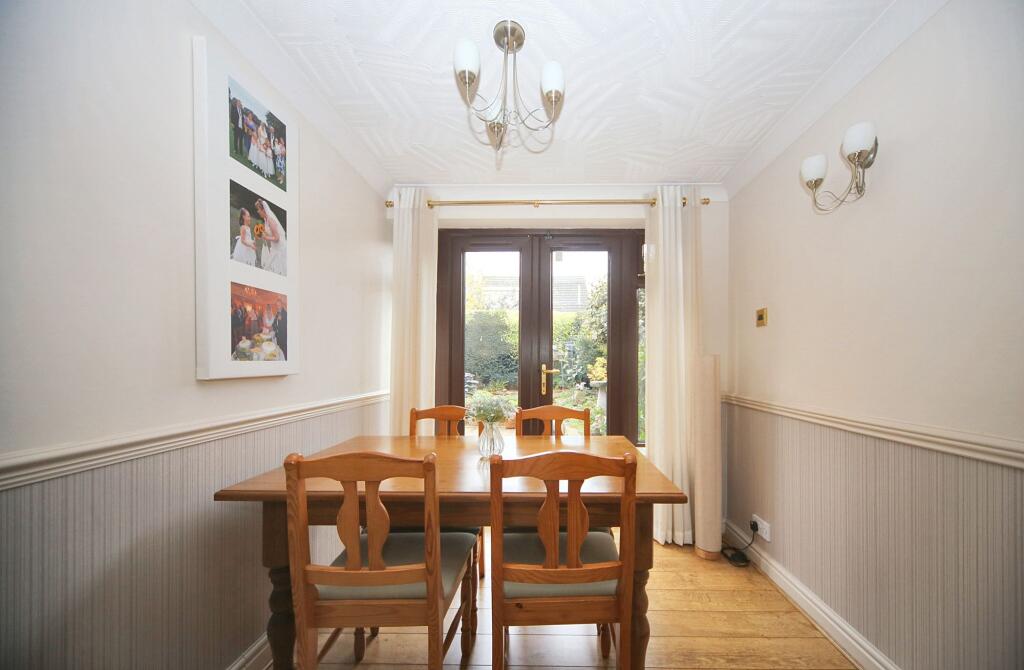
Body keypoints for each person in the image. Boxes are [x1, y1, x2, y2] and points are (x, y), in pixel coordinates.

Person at [255, 199, 287, 275]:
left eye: (258, 209)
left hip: (279, 249)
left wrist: (265, 237)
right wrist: (261, 233)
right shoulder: (266, 220)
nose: (257, 211)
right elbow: (271, 234)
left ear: (263, 210)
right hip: (274, 248)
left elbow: (277, 238)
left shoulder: (270, 220)